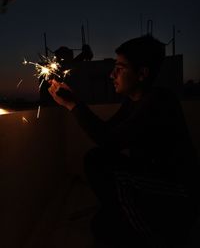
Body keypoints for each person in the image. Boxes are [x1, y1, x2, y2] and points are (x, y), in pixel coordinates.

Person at [48, 35, 199, 248]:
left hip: (176, 192)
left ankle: (157, 235)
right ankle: (123, 215)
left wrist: (74, 105)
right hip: (152, 177)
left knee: (103, 223)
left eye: (120, 68)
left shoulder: (159, 101)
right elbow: (108, 132)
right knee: (96, 161)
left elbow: (109, 140)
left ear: (142, 74)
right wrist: (76, 103)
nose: (112, 75)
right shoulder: (133, 101)